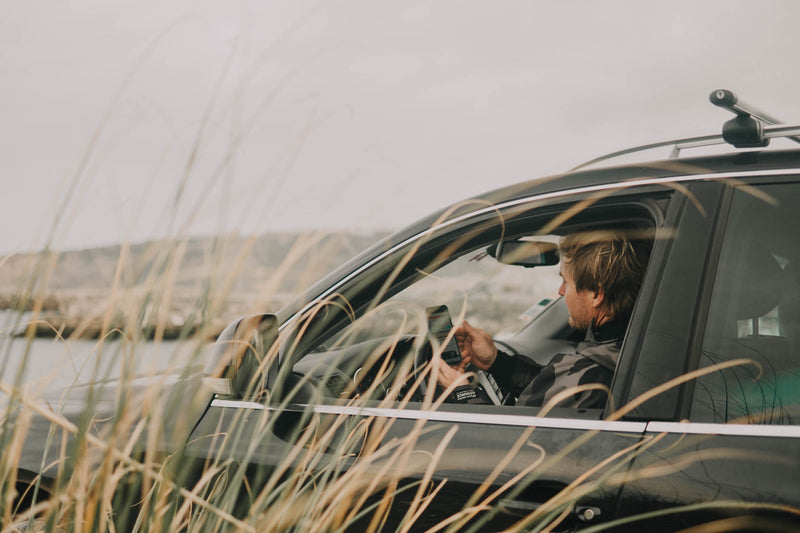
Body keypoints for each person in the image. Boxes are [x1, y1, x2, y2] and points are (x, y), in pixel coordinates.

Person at [436, 230, 650, 409]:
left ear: (596, 294)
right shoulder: (630, 350)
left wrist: (463, 393)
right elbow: (557, 389)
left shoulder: (593, 377)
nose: (560, 291)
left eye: (566, 282)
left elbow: (510, 448)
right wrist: (496, 362)